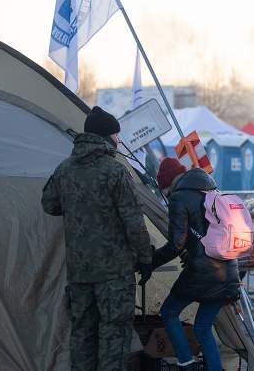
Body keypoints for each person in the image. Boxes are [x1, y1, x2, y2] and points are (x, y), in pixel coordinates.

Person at [41, 106, 154, 371]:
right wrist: (146, 258)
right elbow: (133, 222)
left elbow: (49, 204)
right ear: (106, 137)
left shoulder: (64, 169)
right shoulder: (114, 171)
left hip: (79, 273)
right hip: (114, 274)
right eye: (116, 135)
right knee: (114, 336)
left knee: (82, 335)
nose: (118, 140)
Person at [151, 164, 240, 370]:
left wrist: (150, 262)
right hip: (229, 272)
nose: (167, 195)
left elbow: (176, 244)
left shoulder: (179, 197)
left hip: (203, 273)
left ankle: (186, 362)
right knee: (203, 327)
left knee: (169, 312)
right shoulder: (213, 192)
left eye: (165, 191)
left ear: (171, 183)